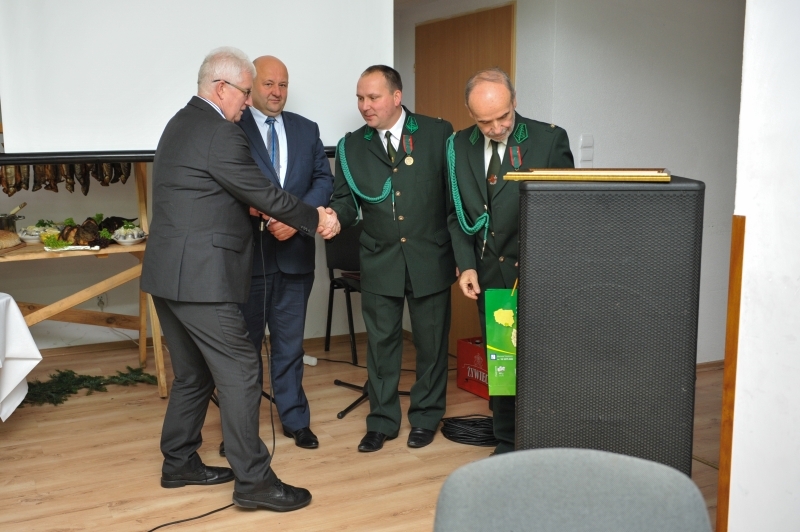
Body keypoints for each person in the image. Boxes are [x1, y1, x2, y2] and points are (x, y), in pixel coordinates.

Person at [140, 46, 339, 512]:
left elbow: (209, 193)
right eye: (245, 93)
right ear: (220, 88)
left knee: (194, 374)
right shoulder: (220, 133)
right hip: (201, 279)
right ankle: (254, 481)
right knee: (243, 371)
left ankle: (179, 461)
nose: (249, 102)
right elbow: (262, 192)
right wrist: (316, 218)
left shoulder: (180, 123)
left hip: (169, 275)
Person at [447, 68, 574, 455]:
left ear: (514, 101)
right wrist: (467, 264)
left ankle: (545, 438)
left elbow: (566, 210)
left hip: (536, 272)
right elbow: (455, 212)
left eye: (503, 116)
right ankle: (506, 441)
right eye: (484, 121)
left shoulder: (548, 139)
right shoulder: (458, 145)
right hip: (490, 273)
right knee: (502, 362)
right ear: (471, 114)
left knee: (544, 361)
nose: (496, 127)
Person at [329, 65, 455, 452]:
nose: (364, 106)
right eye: (360, 98)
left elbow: (454, 198)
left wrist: (460, 255)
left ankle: (426, 417)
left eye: (373, 97)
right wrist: (333, 218)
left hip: (429, 257)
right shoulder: (351, 146)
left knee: (431, 345)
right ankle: (382, 421)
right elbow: (345, 201)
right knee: (381, 346)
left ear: (397, 97)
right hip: (379, 259)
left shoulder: (436, 133)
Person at [234, 55, 333, 450]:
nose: (277, 92)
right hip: (248, 259)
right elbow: (226, 184)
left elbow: (323, 180)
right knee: (244, 351)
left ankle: (295, 420)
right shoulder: (233, 126)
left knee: (290, 346)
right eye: (269, 84)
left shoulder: (306, 129)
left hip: (295, 256)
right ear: (252, 86)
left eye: (283, 85)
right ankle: (241, 432)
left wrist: (296, 219)